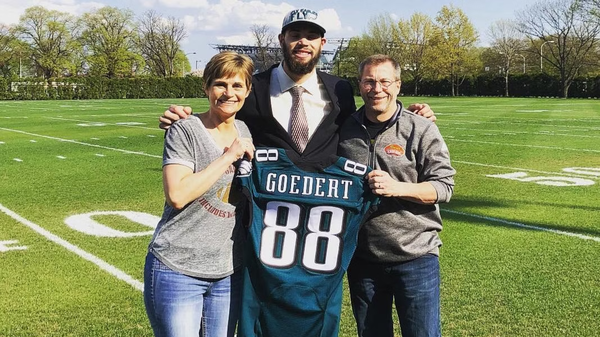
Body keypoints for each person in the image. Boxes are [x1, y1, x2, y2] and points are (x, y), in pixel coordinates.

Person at [159, 8, 436, 165]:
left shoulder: (340, 89)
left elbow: (364, 124)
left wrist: (409, 117)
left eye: (311, 35)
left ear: (322, 44)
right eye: (296, 35)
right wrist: (187, 120)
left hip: (323, 209)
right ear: (282, 39)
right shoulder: (254, 86)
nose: (303, 42)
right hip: (265, 211)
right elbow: (222, 118)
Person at [337, 54, 456, 337]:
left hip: (415, 256)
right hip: (363, 258)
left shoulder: (421, 127)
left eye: (384, 81)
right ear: (360, 85)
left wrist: (397, 187)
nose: (377, 88)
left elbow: (444, 187)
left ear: (398, 85)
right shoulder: (344, 129)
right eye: (369, 81)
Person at [143, 51, 256, 337]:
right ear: (206, 87)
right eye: (220, 84)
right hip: (178, 267)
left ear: (248, 90)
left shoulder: (244, 130)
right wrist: (228, 156)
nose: (228, 93)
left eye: (237, 86)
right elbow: (177, 194)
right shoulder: (185, 130)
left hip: (228, 270)